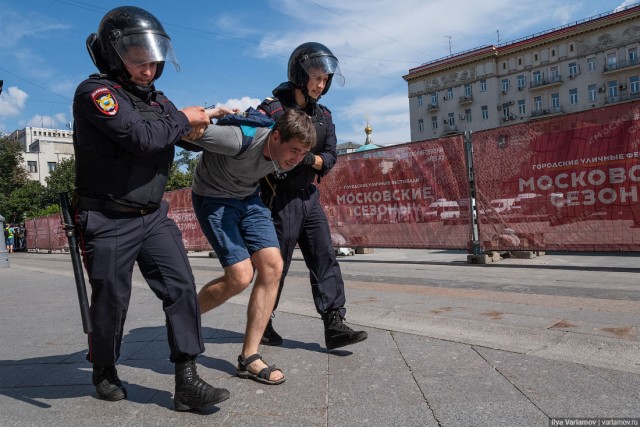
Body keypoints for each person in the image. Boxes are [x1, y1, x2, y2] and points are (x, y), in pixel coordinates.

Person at [72, 6, 230, 411]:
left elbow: (179, 136)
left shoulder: (158, 100)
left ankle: (187, 378)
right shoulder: (96, 93)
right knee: (111, 300)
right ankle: (104, 366)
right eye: (138, 56)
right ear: (113, 54)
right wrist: (182, 118)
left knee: (180, 288)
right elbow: (141, 137)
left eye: (154, 56)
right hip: (107, 218)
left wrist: (210, 123)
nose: (149, 66)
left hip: (153, 216)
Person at [189, 108, 316, 385]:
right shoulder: (235, 139)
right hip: (213, 198)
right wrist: (204, 115)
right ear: (276, 136)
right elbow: (179, 128)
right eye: (293, 151)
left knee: (273, 267)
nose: (296, 160)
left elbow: (303, 157)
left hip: (249, 199)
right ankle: (184, 318)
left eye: (302, 154)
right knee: (240, 276)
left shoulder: (290, 154)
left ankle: (249, 357)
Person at [258, 42, 368, 350]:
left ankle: (334, 323)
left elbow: (330, 156)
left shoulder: (323, 116)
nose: (321, 85)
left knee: (325, 257)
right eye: (316, 77)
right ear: (299, 74)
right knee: (276, 265)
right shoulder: (273, 109)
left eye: (325, 79)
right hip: (277, 197)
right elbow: (260, 147)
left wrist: (307, 160)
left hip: (309, 195)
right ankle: (262, 322)